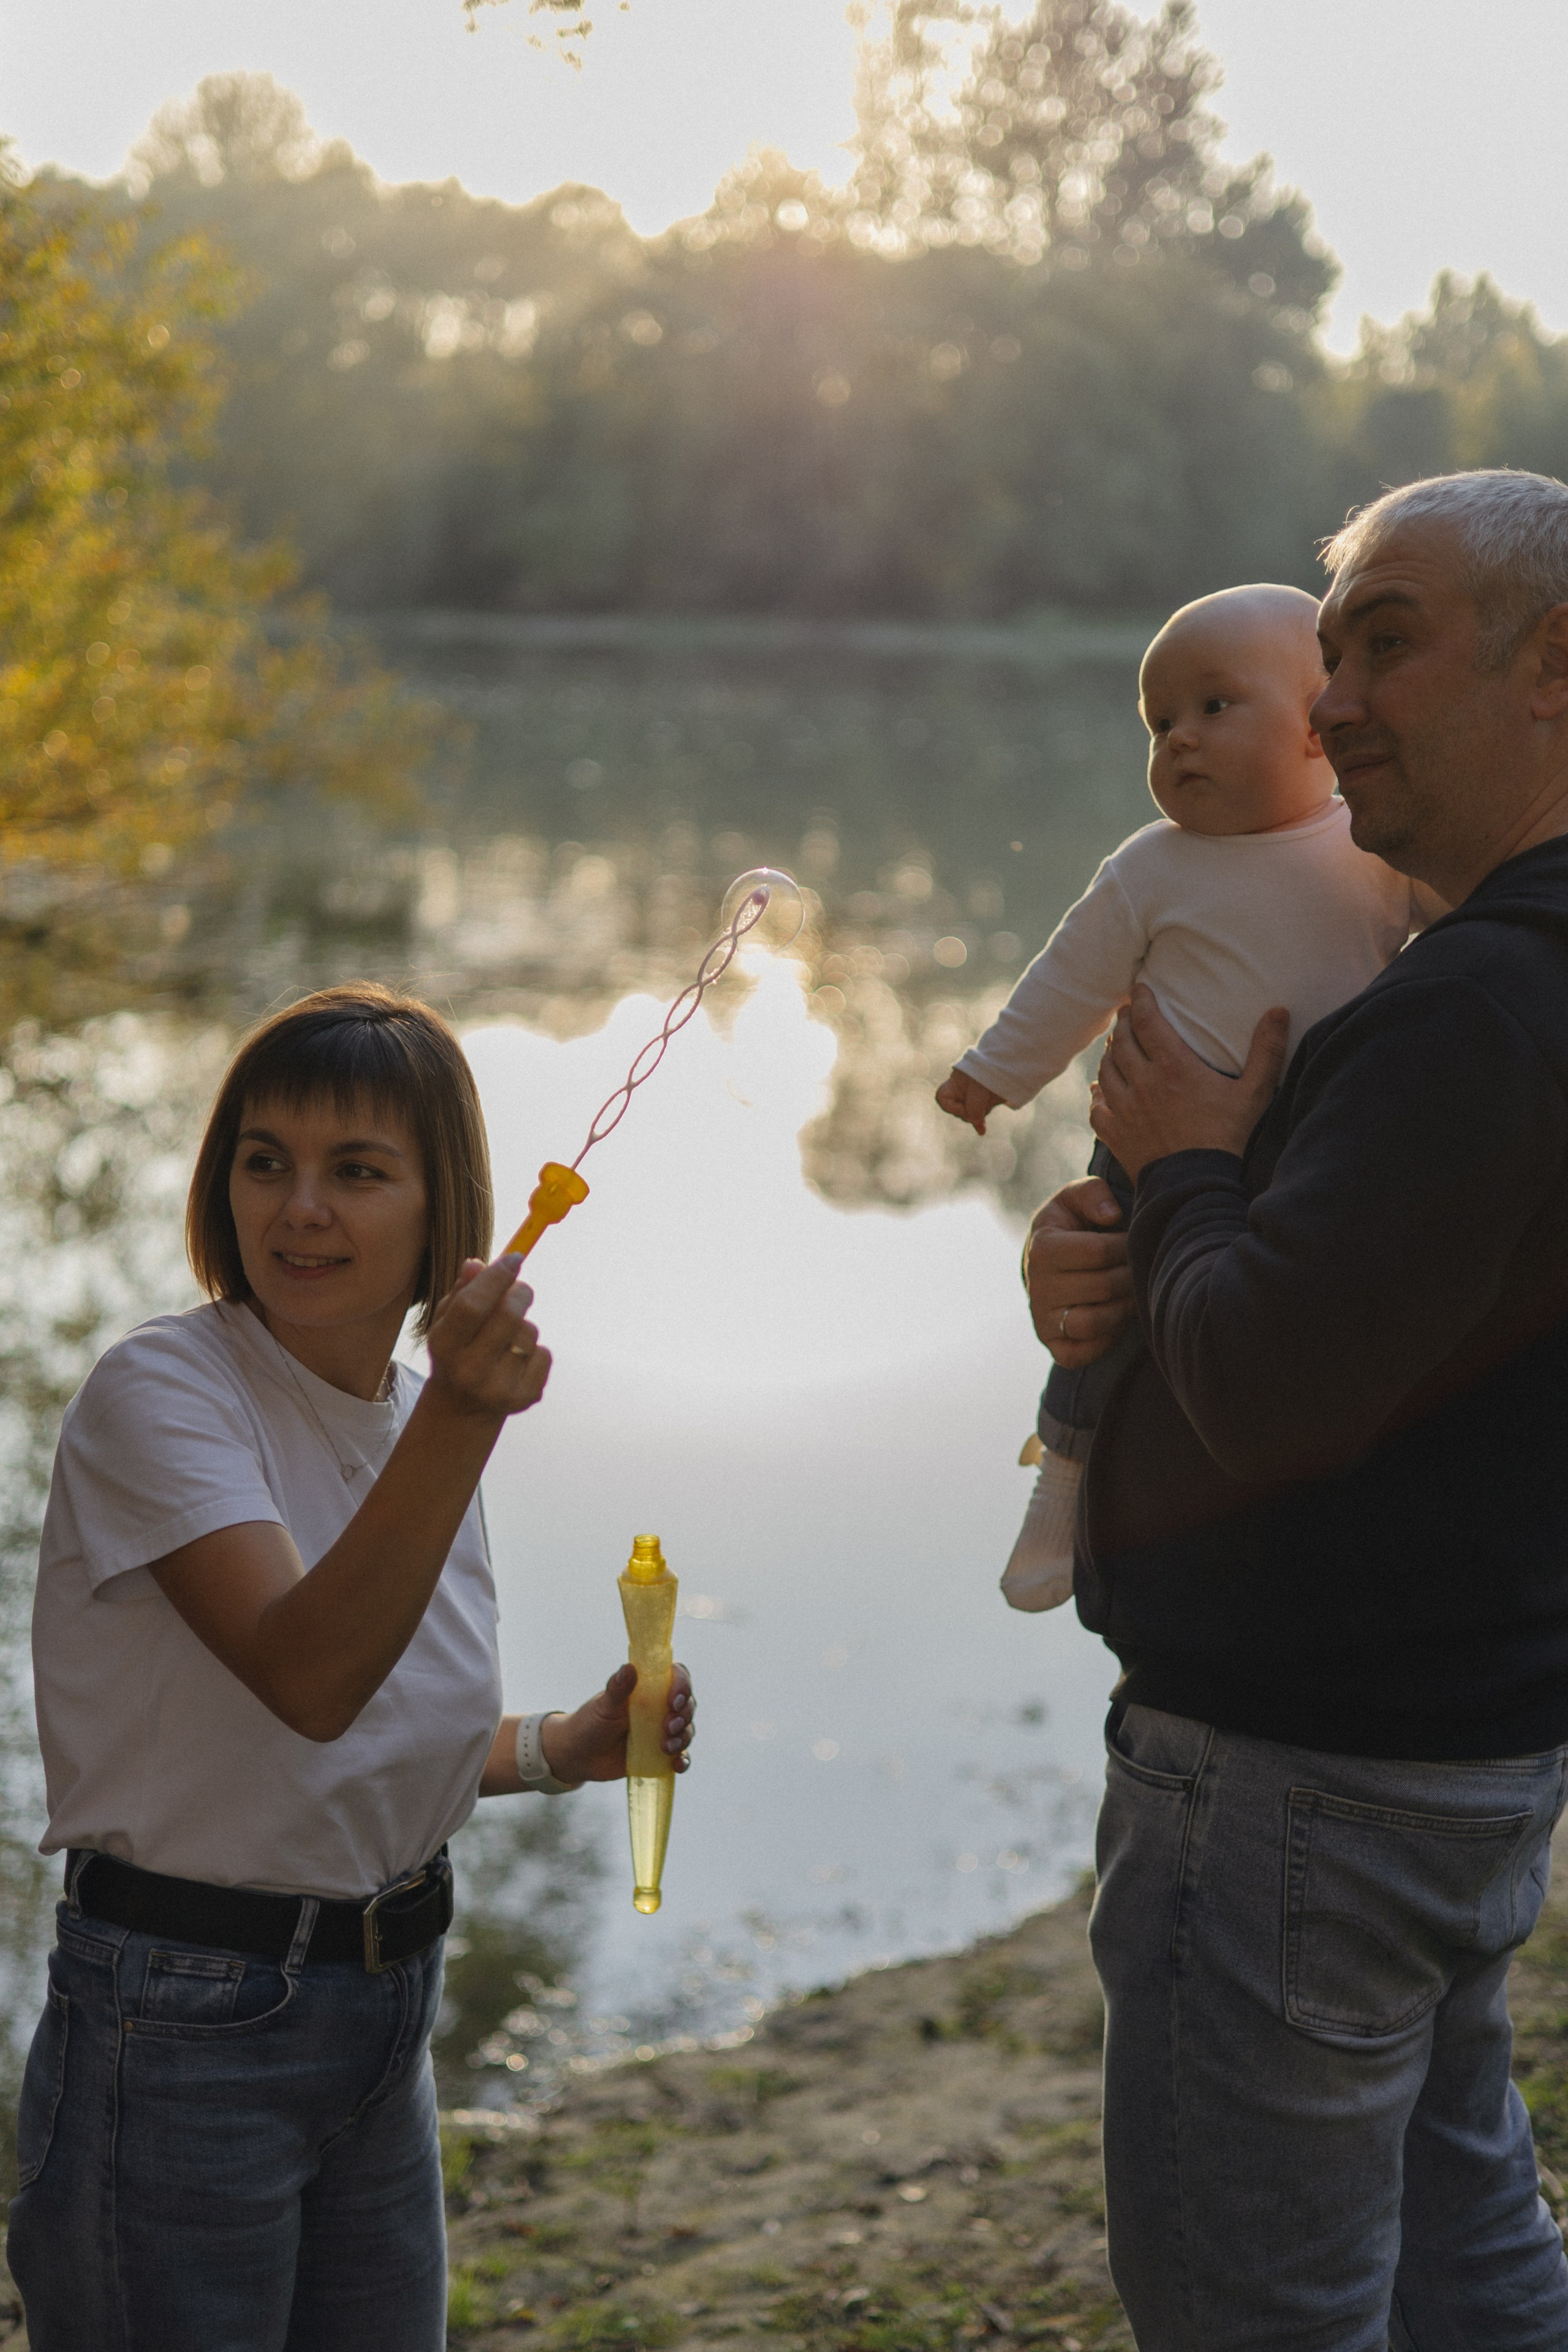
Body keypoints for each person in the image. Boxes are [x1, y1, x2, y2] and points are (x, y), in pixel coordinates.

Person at [1026, 468, 1568, 2348]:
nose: (1329, 702)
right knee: (1456, 2239)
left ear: (1553, 666)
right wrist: (1140, 1241)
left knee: (1263, 2306)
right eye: (1325, 655)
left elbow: (1259, 1385)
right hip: (1468, 1742)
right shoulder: (1479, 978)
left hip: (1300, 1790)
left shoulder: (1476, 1008)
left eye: (1388, 647)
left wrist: (1180, 1166)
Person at [8, 984, 696, 2352]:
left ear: (444, 1210)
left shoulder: (404, 1410)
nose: (299, 1207)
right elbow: (307, 1676)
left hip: (382, 2016)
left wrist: (561, 1744)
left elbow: (366, 1732)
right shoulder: (162, 1396)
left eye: (357, 1171)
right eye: (264, 1163)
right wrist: (460, 1415)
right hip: (182, 2028)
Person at [937, 584, 1434, 1610]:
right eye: (1160, 724)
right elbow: (1071, 980)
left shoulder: (1372, 853)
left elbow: (1463, 911)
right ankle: (1067, 1471)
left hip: (1311, 1140)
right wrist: (996, 1070)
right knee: (1103, 1303)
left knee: (1250, 1330)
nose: (1180, 743)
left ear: (1318, 726)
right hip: (1149, 1140)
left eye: (1215, 708)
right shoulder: (1151, 867)